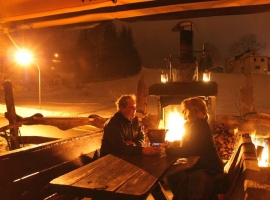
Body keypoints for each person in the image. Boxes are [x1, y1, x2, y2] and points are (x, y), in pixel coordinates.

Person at [161, 97, 224, 200]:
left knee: (172, 174)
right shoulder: (198, 124)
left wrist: (164, 151)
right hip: (204, 166)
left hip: (208, 169)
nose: (183, 112)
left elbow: (188, 150)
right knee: (172, 173)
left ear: (192, 111)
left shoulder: (199, 126)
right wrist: (171, 146)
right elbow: (191, 146)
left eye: (185, 109)